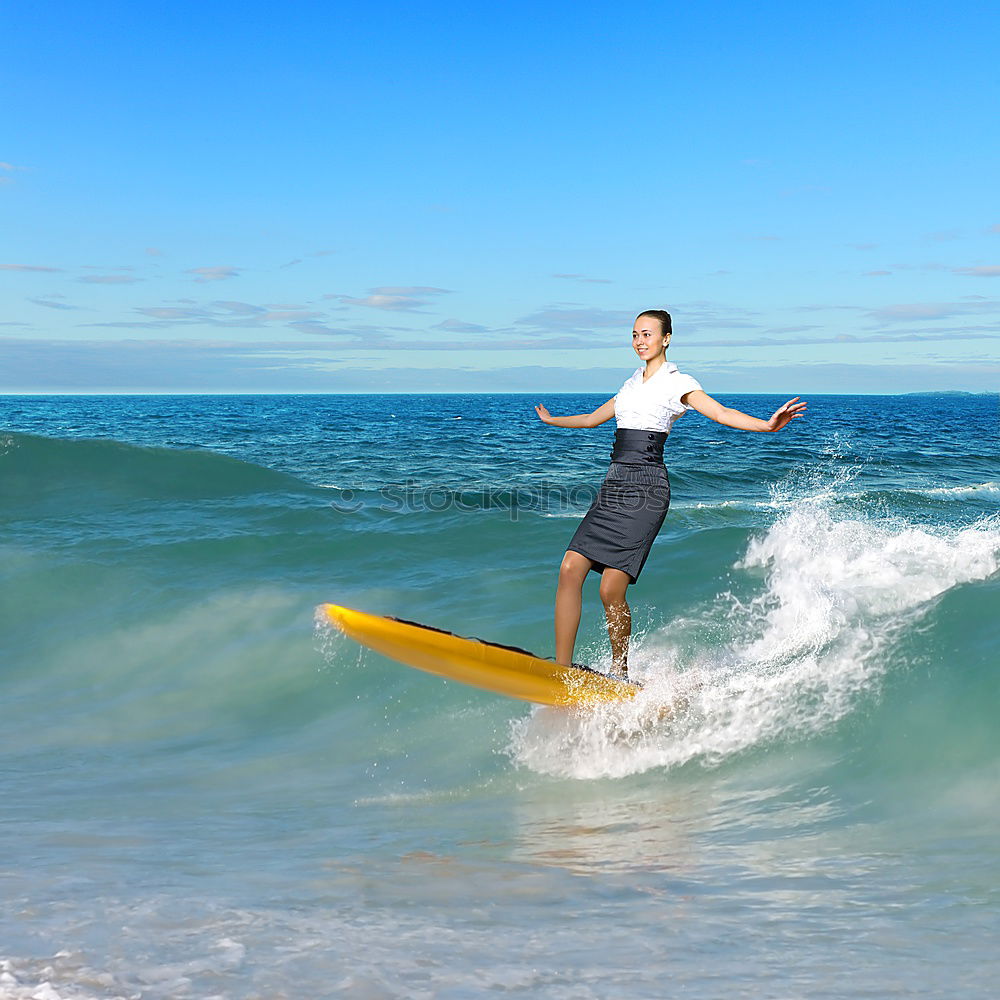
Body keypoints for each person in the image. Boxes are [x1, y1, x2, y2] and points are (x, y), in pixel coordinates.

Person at [534, 309, 806, 678]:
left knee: (611, 590)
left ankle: (620, 672)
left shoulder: (679, 383)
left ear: (666, 338)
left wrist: (767, 426)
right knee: (570, 568)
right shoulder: (630, 385)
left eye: (647, 334)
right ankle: (561, 670)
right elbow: (591, 419)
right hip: (614, 486)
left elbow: (721, 411)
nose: (639, 341)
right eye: (634, 335)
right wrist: (553, 420)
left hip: (647, 489)